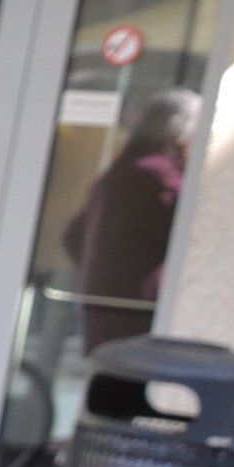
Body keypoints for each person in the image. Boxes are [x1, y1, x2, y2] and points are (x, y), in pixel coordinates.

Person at [65, 87, 201, 349]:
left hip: (104, 312)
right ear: (181, 134)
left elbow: (73, 237)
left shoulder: (122, 171)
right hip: (135, 317)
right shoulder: (159, 178)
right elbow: (194, 244)